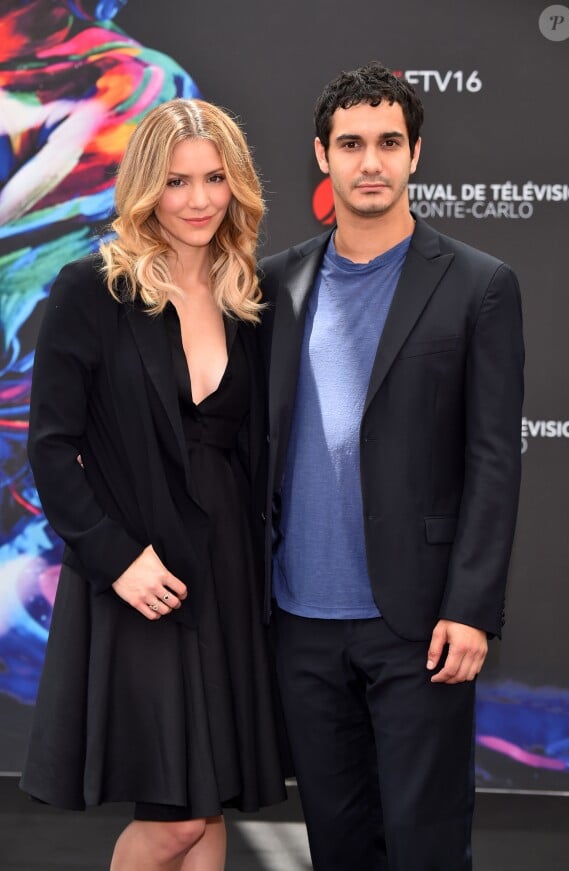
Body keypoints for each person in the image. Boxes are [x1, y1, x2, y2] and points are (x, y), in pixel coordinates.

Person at [259, 62, 524, 871]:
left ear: (415, 155)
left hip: (420, 623)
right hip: (299, 619)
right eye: (351, 144)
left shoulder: (480, 285)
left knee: (426, 845)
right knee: (338, 845)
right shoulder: (276, 284)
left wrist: (473, 607)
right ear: (322, 155)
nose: (369, 161)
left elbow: (492, 458)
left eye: (387, 143)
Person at [20, 98, 287, 871]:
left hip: (228, 572)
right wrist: (117, 559)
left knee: (207, 808)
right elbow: (50, 448)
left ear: (236, 185)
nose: (199, 200)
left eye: (214, 179)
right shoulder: (90, 290)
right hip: (142, 575)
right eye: (176, 181)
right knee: (174, 818)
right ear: (145, 188)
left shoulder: (248, 296)